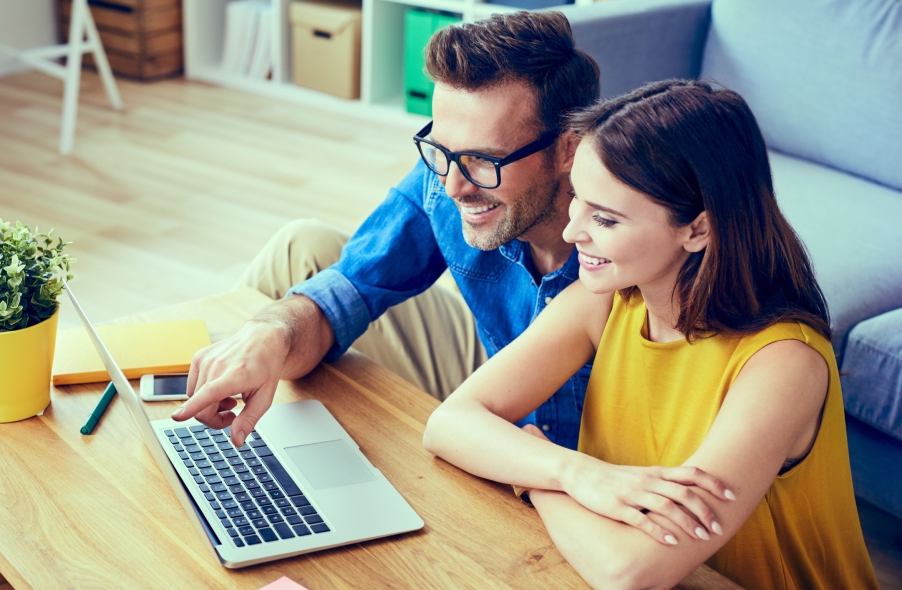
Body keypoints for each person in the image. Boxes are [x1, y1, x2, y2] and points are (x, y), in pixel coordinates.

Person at [422, 79, 878, 589]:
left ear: (698, 230)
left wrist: (533, 479)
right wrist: (576, 474)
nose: (573, 232)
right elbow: (449, 423)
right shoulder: (606, 303)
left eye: (606, 218)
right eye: (578, 200)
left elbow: (632, 572)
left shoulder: (783, 364)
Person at [172, 12, 602, 450]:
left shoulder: (631, 234)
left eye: (483, 161)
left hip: (592, 444)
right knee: (303, 247)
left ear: (568, 148)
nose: (454, 187)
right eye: (441, 151)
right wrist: (272, 333)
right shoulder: (448, 176)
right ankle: (219, 422)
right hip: (491, 365)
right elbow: (353, 284)